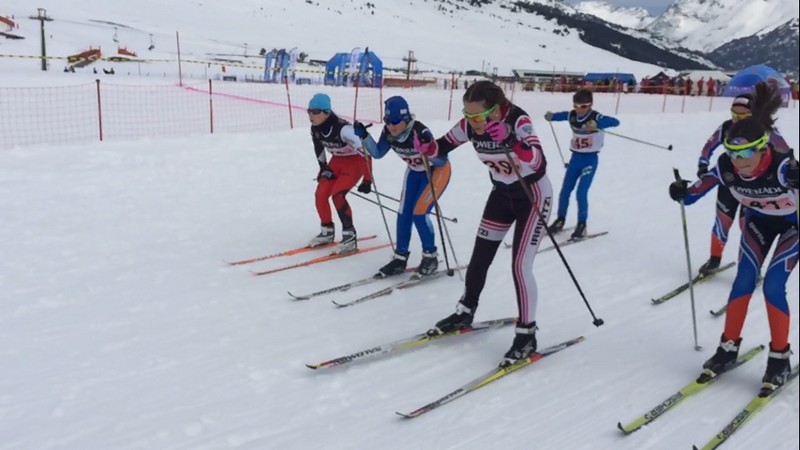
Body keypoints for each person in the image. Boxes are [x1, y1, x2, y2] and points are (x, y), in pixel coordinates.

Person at [669, 82, 798, 395]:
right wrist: (682, 193)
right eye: (733, 153)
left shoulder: (784, 168)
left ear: (764, 147)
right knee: (742, 282)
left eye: (748, 153)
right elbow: (695, 193)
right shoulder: (727, 167)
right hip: (757, 225)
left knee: (771, 286)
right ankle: (728, 348)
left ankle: (779, 358)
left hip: (793, 229)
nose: (741, 161)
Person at [415, 80, 551, 367]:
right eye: (467, 114)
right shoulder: (469, 125)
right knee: (479, 258)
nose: (471, 121)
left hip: (532, 194)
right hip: (502, 194)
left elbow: (538, 161)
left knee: (519, 265)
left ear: (495, 110)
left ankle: (527, 334)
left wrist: (512, 141)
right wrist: (428, 148)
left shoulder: (518, 120)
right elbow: (443, 145)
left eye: (477, 116)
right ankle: (465, 310)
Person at [694, 94, 792, 276]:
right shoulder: (726, 127)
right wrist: (702, 164)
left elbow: (786, 154)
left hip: (757, 188)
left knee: (747, 226)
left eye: (742, 116)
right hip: (730, 180)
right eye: (734, 115)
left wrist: (787, 175)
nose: (736, 120)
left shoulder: (764, 130)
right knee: (722, 221)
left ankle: (752, 268)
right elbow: (709, 146)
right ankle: (714, 259)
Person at [359, 96, 451, 278]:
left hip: (435, 172)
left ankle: (430, 257)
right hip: (414, 172)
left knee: (420, 213)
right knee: (403, 214)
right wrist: (364, 136)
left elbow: (441, 159)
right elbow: (377, 153)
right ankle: (400, 258)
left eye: (395, 121)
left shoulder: (419, 131)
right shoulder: (388, 133)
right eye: (387, 121)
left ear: (406, 118)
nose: (392, 126)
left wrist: (427, 148)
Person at [544, 88, 620, 239]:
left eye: (583, 107)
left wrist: (597, 124)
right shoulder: (572, 115)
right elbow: (562, 115)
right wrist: (551, 116)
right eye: (576, 106)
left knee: (581, 192)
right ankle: (560, 220)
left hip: (589, 160)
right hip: (575, 159)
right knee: (565, 191)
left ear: (590, 105)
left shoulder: (595, 116)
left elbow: (615, 121)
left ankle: (582, 225)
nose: (579, 110)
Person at [306, 93, 373, 254]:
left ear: (326, 112)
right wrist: (323, 167)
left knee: (338, 195)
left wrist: (367, 179)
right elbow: (319, 147)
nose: (311, 115)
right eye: (309, 111)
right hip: (337, 161)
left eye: (315, 112)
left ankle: (349, 237)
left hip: (355, 162)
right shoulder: (315, 128)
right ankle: (327, 231)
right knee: (320, 194)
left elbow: (366, 153)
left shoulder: (344, 130)